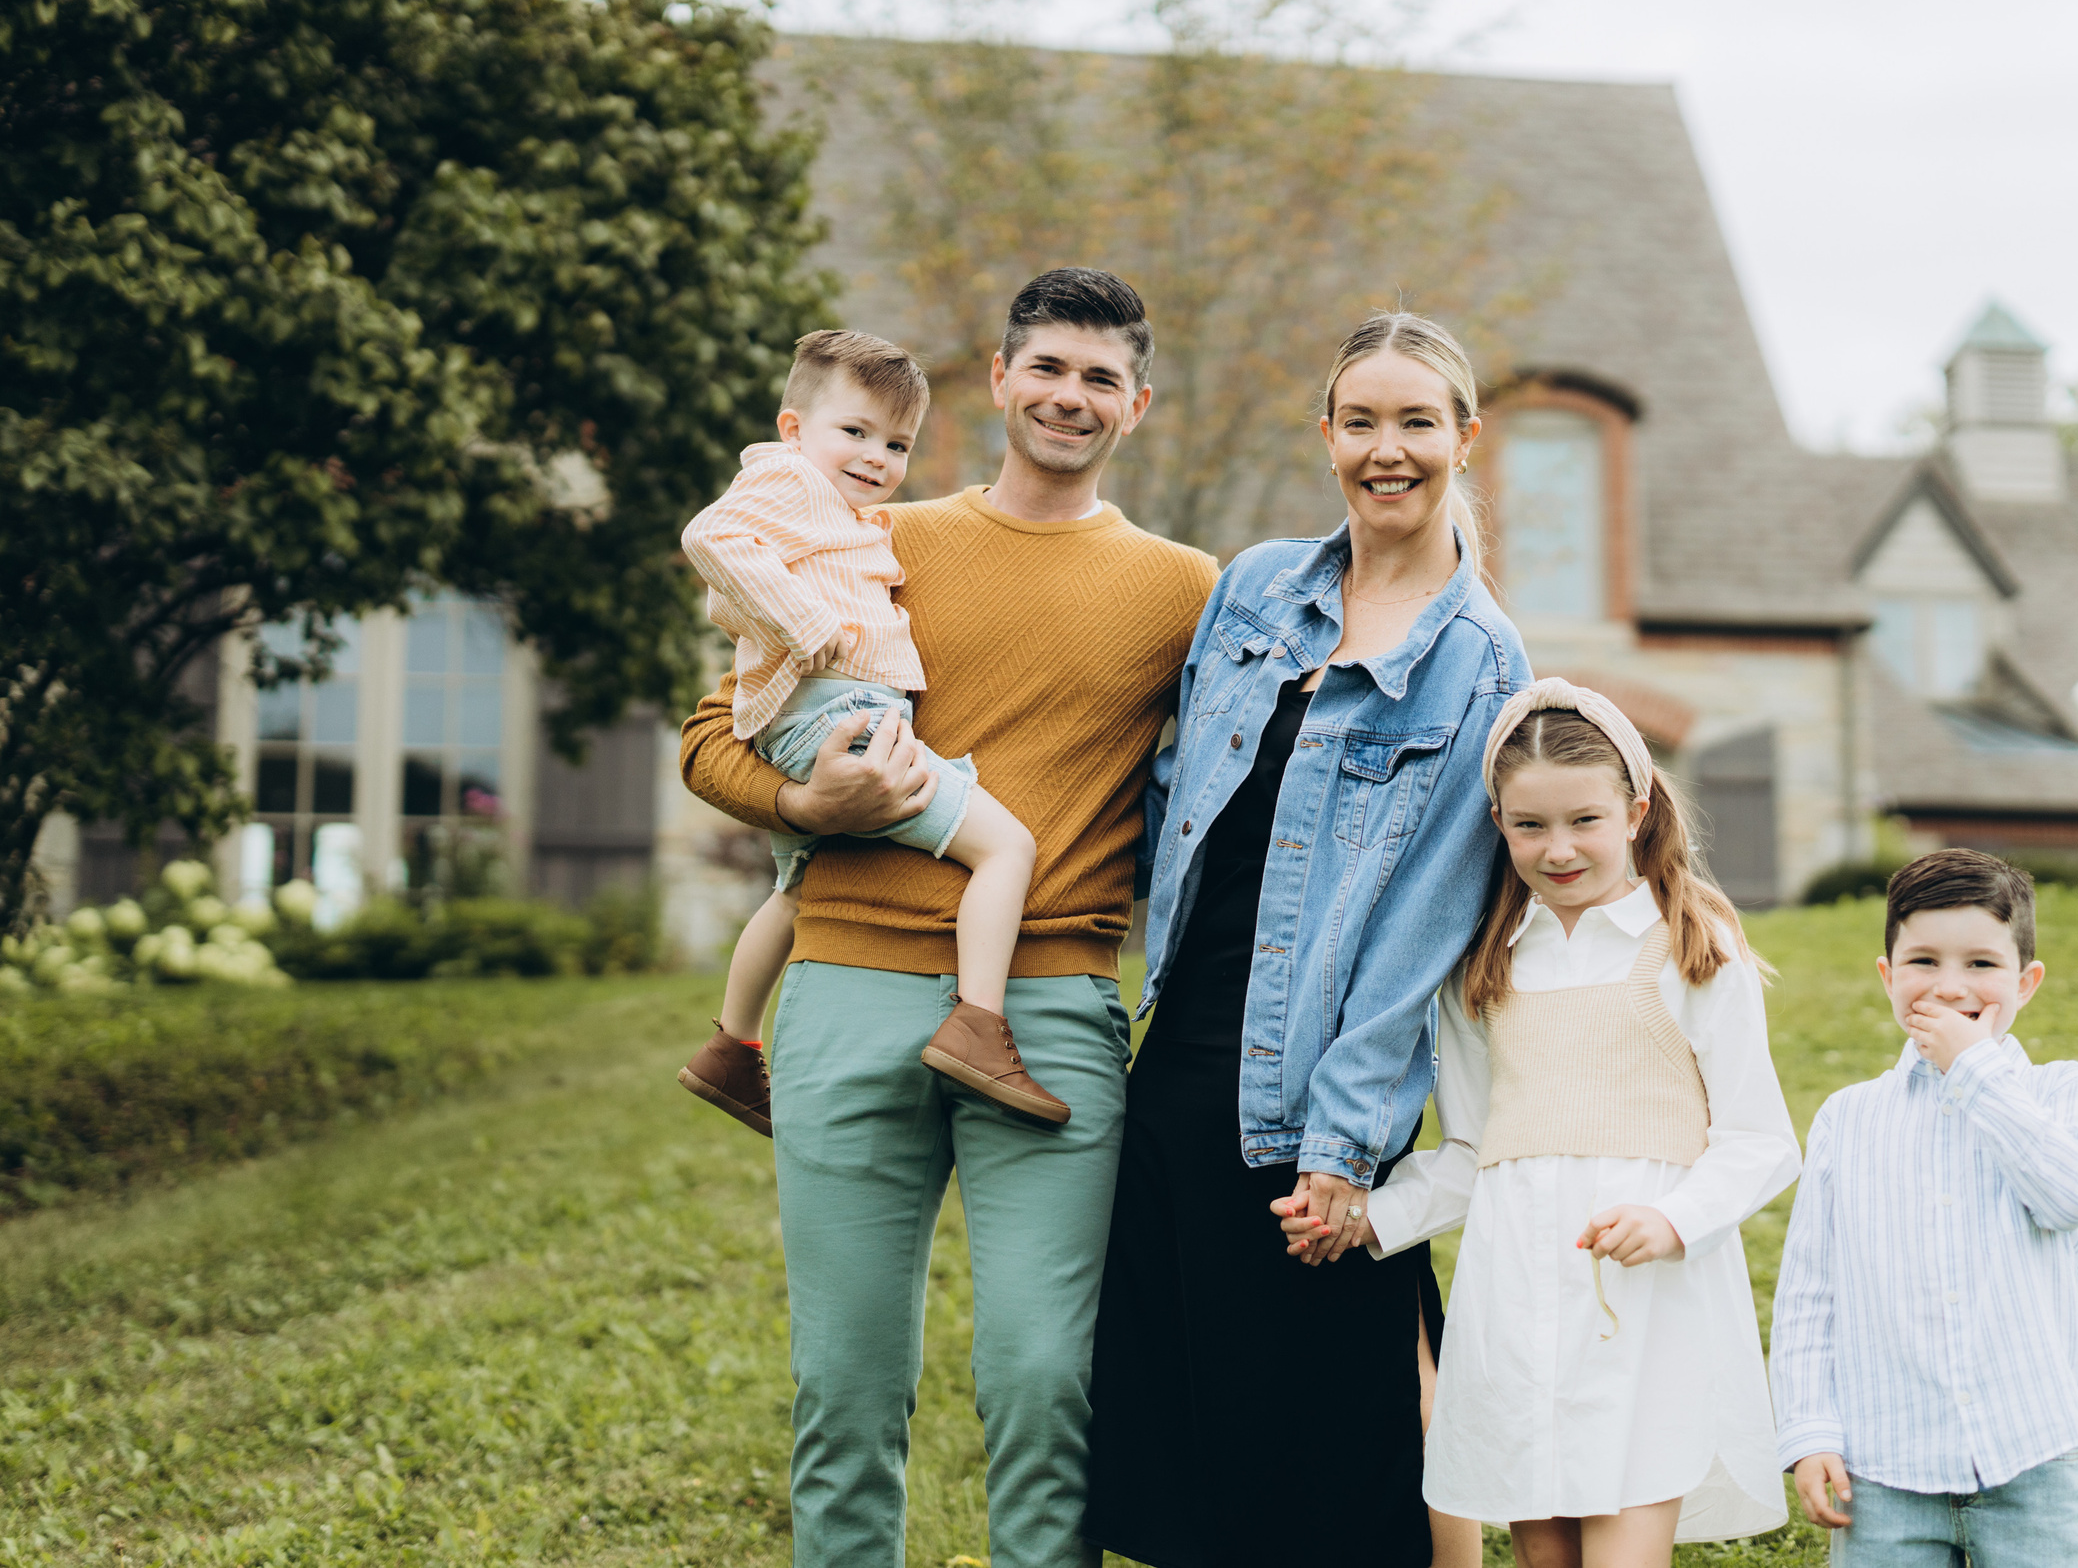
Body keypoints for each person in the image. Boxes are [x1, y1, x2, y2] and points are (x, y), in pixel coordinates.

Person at [677, 269, 1218, 1568]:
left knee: (1046, 1374)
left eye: (1100, 377)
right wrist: (812, 798)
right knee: (847, 1384)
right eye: (1050, 367)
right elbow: (712, 735)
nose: (1070, 395)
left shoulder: (1186, 589)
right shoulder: (871, 535)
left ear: (1136, 403)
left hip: (1049, 1014)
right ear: (1000, 375)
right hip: (847, 988)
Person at [1083, 312, 1529, 1568]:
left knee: (1342, 1441)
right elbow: (1174, 802)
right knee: (1197, 1423)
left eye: (1415, 422)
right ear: (1327, 434)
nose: (1386, 450)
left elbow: (1429, 927)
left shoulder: (1481, 663)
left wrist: (1343, 1145)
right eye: (1361, 421)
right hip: (1181, 1062)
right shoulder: (1254, 588)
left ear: (1462, 436)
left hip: (1313, 1092)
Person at [1311, 680, 1801, 1565]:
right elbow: (1472, 1150)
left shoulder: (1691, 946)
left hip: (1645, 1309)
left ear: (1636, 808)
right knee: (1548, 1558)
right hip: (1518, 1298)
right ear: (1496, 819)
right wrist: (1366, 1217)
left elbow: (1760, 1139)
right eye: (1530, 824)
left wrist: (1672, 1217)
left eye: (1585, 820)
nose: (1559, 847)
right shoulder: (1486, 965)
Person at [675, 329, 1059, 1130]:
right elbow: (710, 538)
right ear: (792, 429)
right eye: (854, 431)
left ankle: (731, 1046)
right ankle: (980, 1027)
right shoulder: (787, 481)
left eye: (896, 444)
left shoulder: (838, 510)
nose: (876, 457)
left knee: (795, 889)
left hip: (808, 718)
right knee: (1007, 848)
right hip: (844, 714)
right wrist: (801, 618)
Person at [1769, 849, 2078, 1566]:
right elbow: (1810, 1291)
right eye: (1924, 960)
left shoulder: (2060, 1092)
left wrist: (1974, 1066)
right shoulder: (1848, 1117)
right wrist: (1810, 1432)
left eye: (1981, 965)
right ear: (1888, 976)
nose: (1951, 985)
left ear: (2027, 982)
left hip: (2032, 1459)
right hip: (1885, 1471)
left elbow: (2068, 1195)